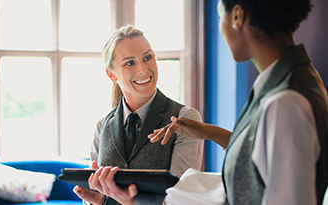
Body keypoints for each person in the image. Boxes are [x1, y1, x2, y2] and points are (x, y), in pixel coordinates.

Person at [148, 0, 328, 204]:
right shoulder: (291, 78)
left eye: (219, 17)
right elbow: (264, 158)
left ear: (237, 16)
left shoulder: (286, 102)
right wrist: (209, 132)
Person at [73, 25, 204, 205]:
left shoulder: (185, 119)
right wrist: (96, 201)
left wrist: (132, 202)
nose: (143, 69)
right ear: (111, 74)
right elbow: (97, 197)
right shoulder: (102, 126)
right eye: (130, 62)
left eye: (148, 58)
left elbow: (182, 199)